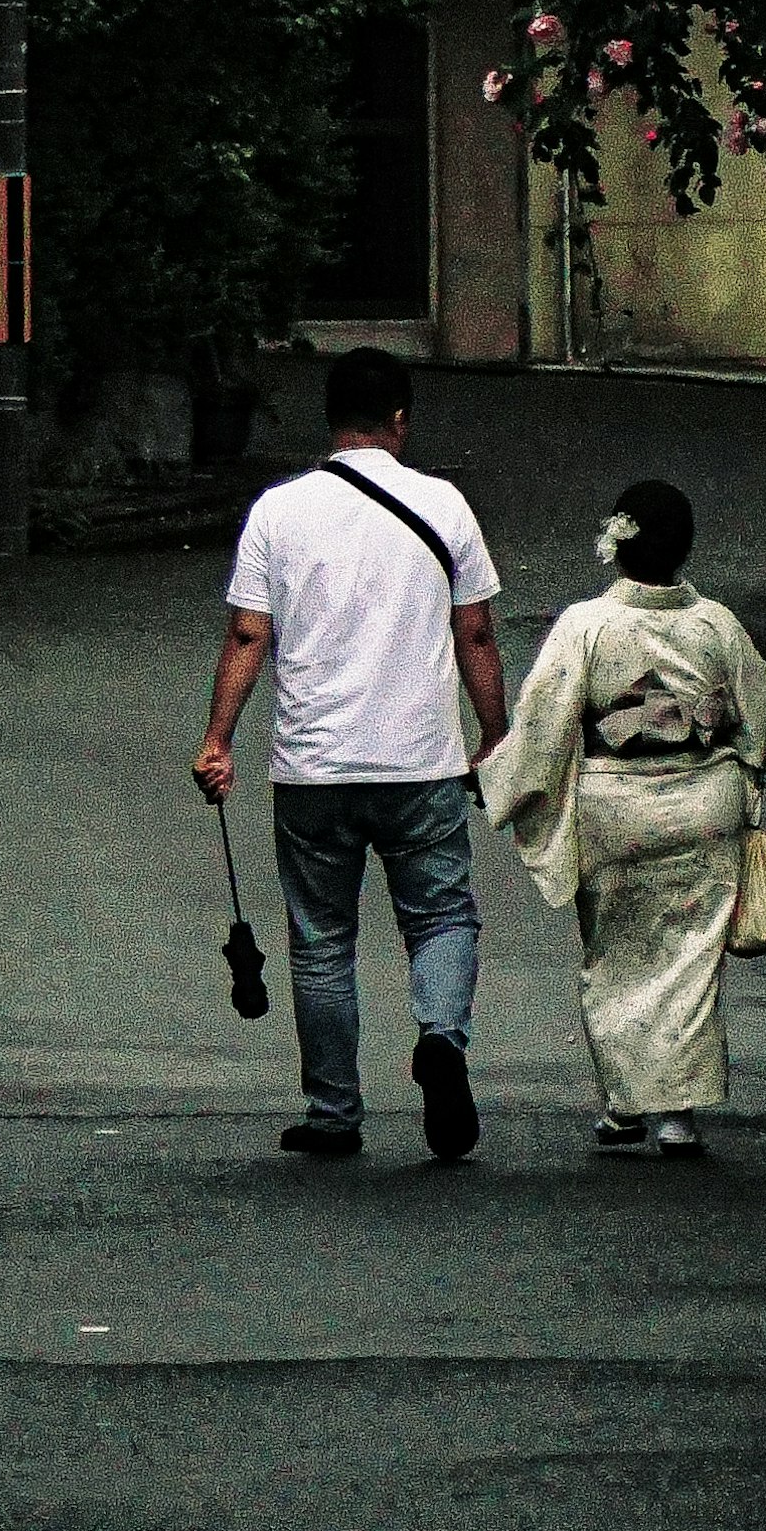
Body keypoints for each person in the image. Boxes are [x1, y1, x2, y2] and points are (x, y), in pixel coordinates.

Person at [196, 350, 508, 1166]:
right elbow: (473, 632)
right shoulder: (444, 505)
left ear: (331, 420)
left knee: (322, 939)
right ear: (400, 418)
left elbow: (247, 634)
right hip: (421, 763)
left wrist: (218, 739)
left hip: (315, 768)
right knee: (440, 916)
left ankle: (334, 1114)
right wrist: (496, 734)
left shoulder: (278, 512)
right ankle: (440, 1034)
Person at [477, 477, 766, 1157]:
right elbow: (760, 714)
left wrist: (501, 784)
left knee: (618, 957)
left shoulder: (589, 625)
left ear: (617, 546)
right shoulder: (716, 624)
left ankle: (625, 1105)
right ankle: (677, 1114)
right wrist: (743, 766)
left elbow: (545, 722)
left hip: (617, 807)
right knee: (691, 957)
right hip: (704, 801)